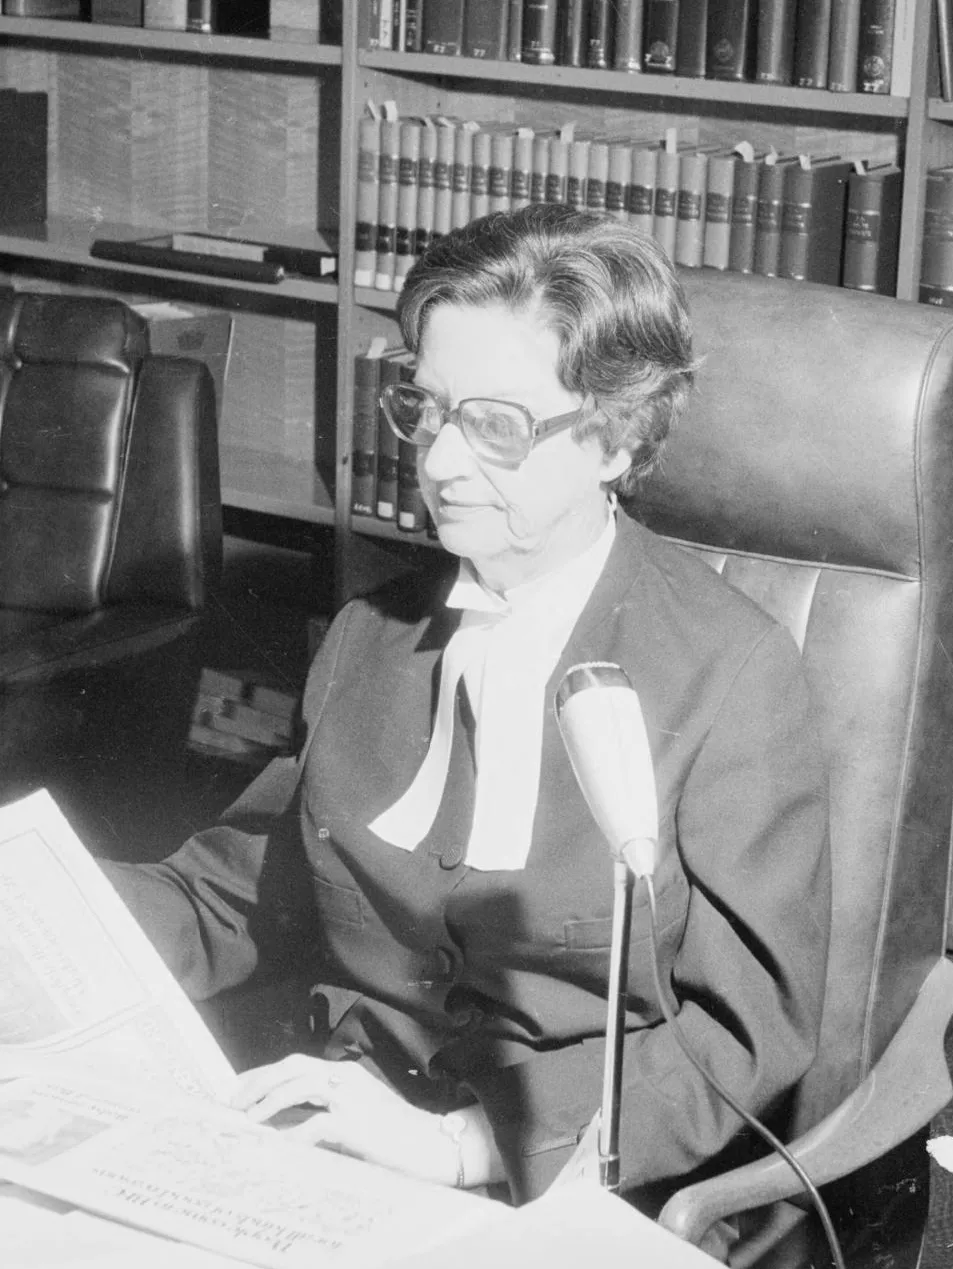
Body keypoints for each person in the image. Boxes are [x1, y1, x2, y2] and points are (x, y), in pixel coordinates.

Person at [103, 204, 831, 1210]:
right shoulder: (368, 633)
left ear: (616, 438)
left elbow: (746, 1033)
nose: (440, 462)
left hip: (569, 1178)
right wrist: (47, 917)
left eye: (495, 425)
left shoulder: (730, 673)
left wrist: (460, 1146)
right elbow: (239, 895)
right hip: (337, 1129)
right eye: (428, 408)